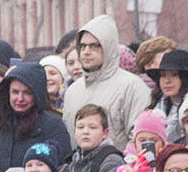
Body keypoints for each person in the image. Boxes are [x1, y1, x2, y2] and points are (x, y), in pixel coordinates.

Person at [61, 15, 152, 146]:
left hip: (118, 164)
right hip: (79, 165)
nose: (86, 51)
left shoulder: (132, 87)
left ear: (108, 48)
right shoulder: (72, 91)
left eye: (94, 46)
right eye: (82, 46)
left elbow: (140, 139)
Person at [0, 62, 71, 172]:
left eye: (27, 93)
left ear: (37, 95)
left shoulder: (53, 125)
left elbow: (62, 169)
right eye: (15, 92)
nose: (20, 98)